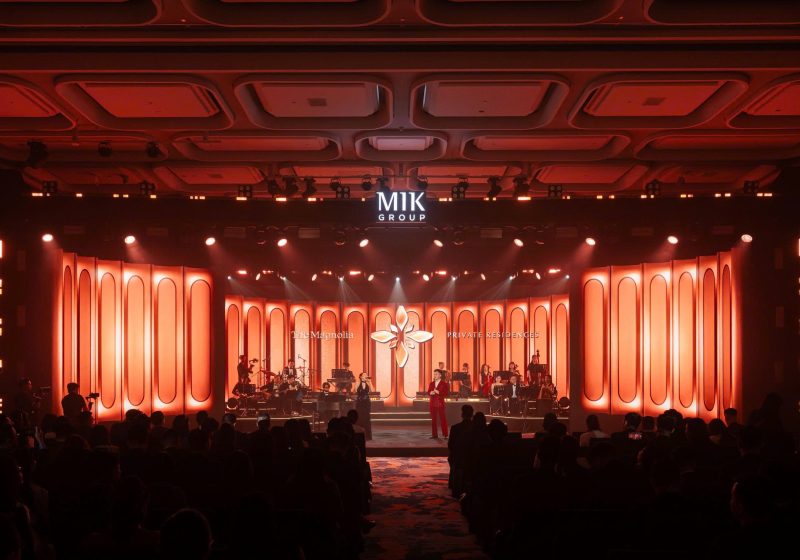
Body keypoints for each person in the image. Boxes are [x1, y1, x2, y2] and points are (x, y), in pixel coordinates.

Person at [447, 404, 473, 497]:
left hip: (459, 458)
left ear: (462, 414)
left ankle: (455, 483)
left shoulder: (455, 428)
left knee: (454, 458)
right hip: (473, 458)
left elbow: (450, 445)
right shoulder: (477, 429)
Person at [428, 369, 449, 439]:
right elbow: (428, 391)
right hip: (432, 404)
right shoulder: (431, 383)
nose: (435, 375)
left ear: (440, 375)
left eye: (436, 374)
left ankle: (445, 434)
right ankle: (434, 435)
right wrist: (430, 393)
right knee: (433, 420)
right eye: (434, 374)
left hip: (440, 404)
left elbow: (446, 393)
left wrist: (438, 392)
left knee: (443, 419)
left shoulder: (444, 384)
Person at [355, 373, 373, 440]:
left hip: (366, 402)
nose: (366, 376)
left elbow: (373, 391)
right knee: (359, 417)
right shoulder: (357, 382)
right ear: (360, 376)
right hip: (359, 402)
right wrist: (358, 383)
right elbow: (355, 391)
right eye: (364, 375)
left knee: (366, 418)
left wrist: (370, 382)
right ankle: (359, 434)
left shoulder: (368, 383)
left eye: (366, 375)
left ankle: (368, 436)